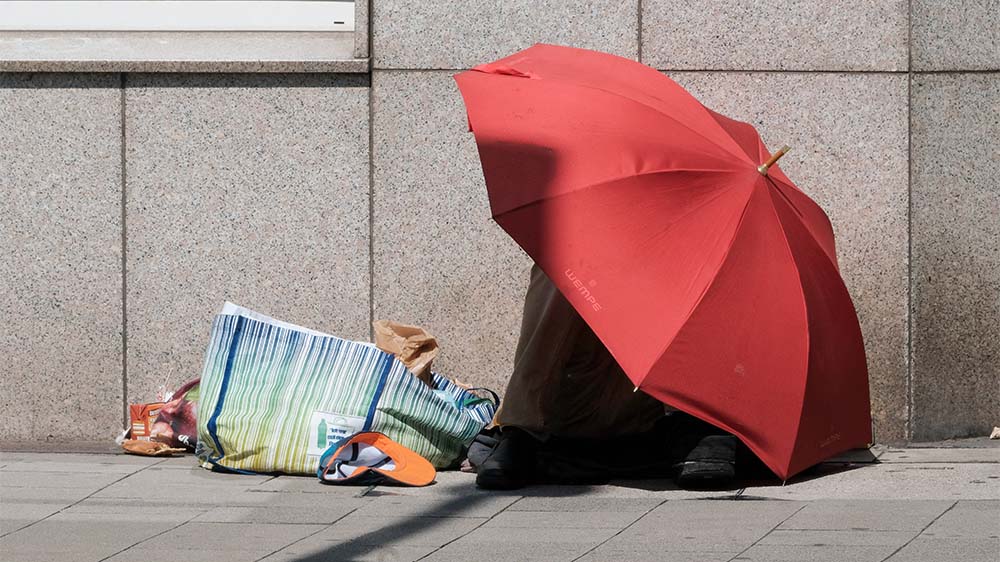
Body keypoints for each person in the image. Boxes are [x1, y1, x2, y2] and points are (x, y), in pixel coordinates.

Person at [476, 265, 739, 490]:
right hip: (573, 400)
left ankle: (694, 425)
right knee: (559, 259)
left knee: (688, 258)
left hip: (653, 409)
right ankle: (521, 431)